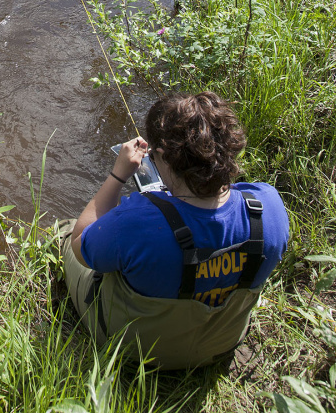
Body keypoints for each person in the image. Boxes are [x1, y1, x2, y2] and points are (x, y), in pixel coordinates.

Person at [62, 91, 289, 369]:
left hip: (139, 351)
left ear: (160, 157)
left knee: (72, 233)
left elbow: (80, 246)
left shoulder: (137, 221)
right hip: (221, 342)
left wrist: (118, 175)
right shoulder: (269, 208)